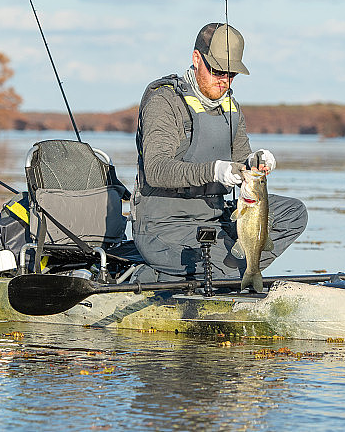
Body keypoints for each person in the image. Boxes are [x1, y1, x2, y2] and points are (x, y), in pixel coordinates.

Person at [131, 22, 308, 284]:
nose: (224, 81)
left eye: (231, 74)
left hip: (211, 217)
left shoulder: (231, 108)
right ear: (196, 59)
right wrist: (214, 170)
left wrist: (256, 161)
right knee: (220, 268)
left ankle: (238, 268)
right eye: (217, 71)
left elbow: (242, 162)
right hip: (162, 227)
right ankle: (149, 277)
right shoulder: (165, 101)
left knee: (294, 213)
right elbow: (156, 171)